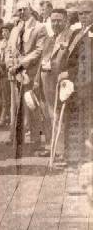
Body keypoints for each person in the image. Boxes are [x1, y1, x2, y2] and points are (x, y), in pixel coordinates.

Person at [33, 8, 77, 158]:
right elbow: (42, 61)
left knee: (59, 116)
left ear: (66, 20)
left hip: (60, 82)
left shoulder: (71, 36)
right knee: (48, 115)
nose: (56, 23)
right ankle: (51, 146)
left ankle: (61, 151)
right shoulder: (50, 38)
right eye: (53, 21)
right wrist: (36, 80)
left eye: (59, 20)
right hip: (46, 82)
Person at [5, 0, 46, 154]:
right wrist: (10, 64)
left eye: (24, 9)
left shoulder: (39, 27)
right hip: (15, 73)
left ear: (30, 9)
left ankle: (36, 143)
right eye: (19, 10)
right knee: (16, 108)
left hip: (30, 73)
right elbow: (10, 47)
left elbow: (38, 51)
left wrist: (22, 64)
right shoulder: (16, 28)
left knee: (32, 107)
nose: (21, 12)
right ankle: (18, 141)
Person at [60, 0, 93, 193]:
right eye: (81, 13)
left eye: (88, 13)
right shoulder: (76, 32)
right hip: (76, 88)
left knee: (87, 126)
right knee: (78, 126)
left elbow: (88, 66)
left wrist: (79, 82)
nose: (84, 16)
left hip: (87, 88)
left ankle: (86, 165)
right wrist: (68, 76)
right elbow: (71, 60)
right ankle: (79, 164)